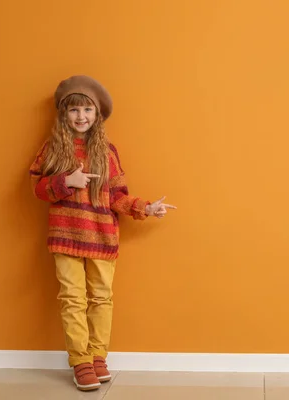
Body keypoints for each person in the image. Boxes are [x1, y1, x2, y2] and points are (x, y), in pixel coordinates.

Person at [30, 75, 177, 391]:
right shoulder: (52, 149)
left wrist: (146, 208)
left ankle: (98, 355)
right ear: (63, 115)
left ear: (97, 115)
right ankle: (80, 361)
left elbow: (118, 195)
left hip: (102, 235)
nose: (81, 117)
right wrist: (67, 182)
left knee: (101, 298)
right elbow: (37, 188)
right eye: (74, 111)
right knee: (72, 298)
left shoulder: (107, 151)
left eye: (87, 110)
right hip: (66, 236)